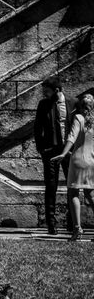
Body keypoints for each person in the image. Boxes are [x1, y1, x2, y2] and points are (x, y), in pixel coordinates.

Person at [34, 76, 77, 235]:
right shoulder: (43, 104)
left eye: (47, 91)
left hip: (69, 151)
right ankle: (51, 225)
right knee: (50, 187)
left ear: (57, 90)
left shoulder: (73, 103)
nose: (44, 94)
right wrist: (41, 148)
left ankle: (72, 223)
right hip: (50, 151)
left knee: (72, 187)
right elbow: (37, 127)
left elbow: (78, 126)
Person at [51, 94, 94, 241]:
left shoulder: (79, 119)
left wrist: (63, 153)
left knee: (73, 193)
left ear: (80, 106)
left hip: (78, 161)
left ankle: (77, 229)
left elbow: (71, 137)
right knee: (90, 194)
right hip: (92, 161)